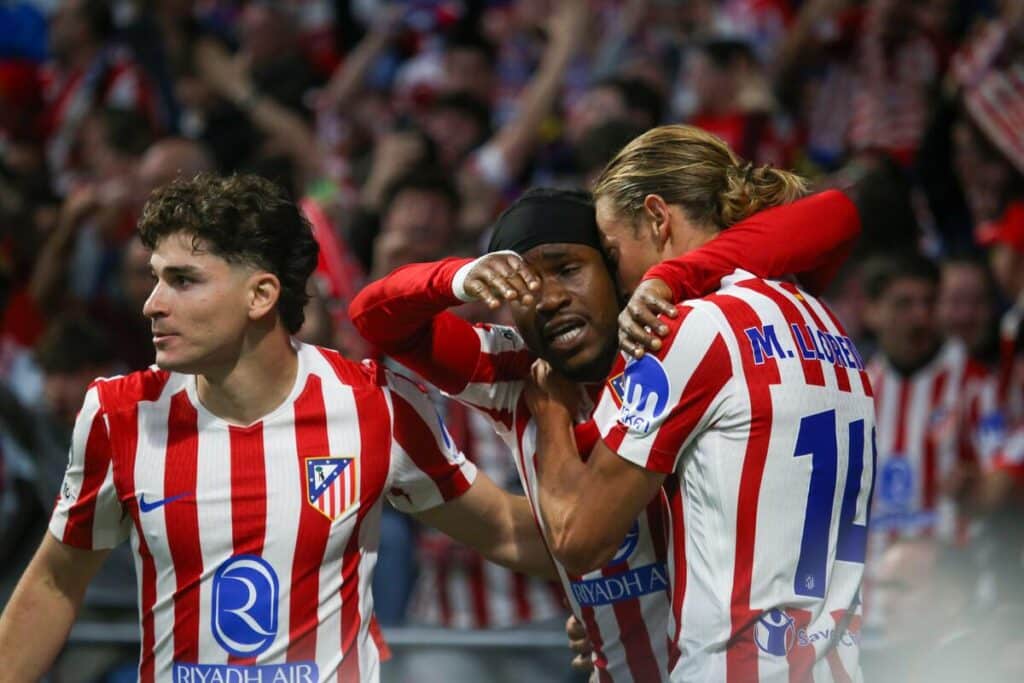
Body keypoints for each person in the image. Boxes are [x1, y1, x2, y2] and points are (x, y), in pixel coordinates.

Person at [0, 173, 555, 683]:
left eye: (183, 280)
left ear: (261, 296)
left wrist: (611, 593)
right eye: (155, 279)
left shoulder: (375, 405)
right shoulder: (118, 415)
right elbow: (54, 582)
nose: (152, 304)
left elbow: (506, 531)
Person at [350, 178, 862, 680]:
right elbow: (374, 317)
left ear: (615, 274)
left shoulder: (674, 344)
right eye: (523, 287)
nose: (549, 298)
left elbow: (833, 213)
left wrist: (550, 407)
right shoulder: (512, 370)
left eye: (569, 269)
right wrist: (458, 278)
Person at [523, 124, 874, 681]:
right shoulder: (825, 320)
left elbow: (578, 539)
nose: (617, 283)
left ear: (659, 218)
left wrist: (547, 407)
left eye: (613, 255)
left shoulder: (687, 330)